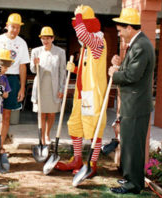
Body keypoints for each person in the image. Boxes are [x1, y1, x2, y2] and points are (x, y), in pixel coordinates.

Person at [55, 5, 107, 178]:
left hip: (92, 95)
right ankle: (77, 159)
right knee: (75, 125)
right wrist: (76, 70)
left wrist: (78, 15)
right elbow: (89, 70)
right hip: (81, 94)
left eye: (81, 23)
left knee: (93, 128)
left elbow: (83, 34)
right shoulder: (86, 47)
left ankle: (92, 163)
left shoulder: (98, 41)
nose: (78, 28)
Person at [108, 8, 155, 194]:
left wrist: (115, 73)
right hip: (131, 104)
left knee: (133, 145)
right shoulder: (138, 44)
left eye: (120, 30)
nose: (119, 34)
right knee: (128, 143)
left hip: (135, 106)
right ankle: (130, 178)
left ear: (129, 28)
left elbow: (132, 76)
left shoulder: (141, 45)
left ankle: (134, 184)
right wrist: (120, 65)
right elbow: (133, 71)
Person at [0, 13, 30, 151]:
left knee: (6, 115)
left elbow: (22, 66)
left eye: (18, 28)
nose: (15, 30)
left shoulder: (22, 43)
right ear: (7, 26)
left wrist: (22, 88)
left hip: (12, 79)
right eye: (13, 27)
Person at [30, 26, 66, 145]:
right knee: (41, 112)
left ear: (52, 39)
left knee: (51, 112)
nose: (45, 41)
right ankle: (42, 137)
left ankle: (47, 134)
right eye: (43, 38)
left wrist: (62, 88)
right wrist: (35, 65)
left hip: (54, 85)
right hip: (41, 85)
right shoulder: (36, 51)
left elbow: (62, 71)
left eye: (48, 38)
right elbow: (33, 70)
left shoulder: (60, 52)